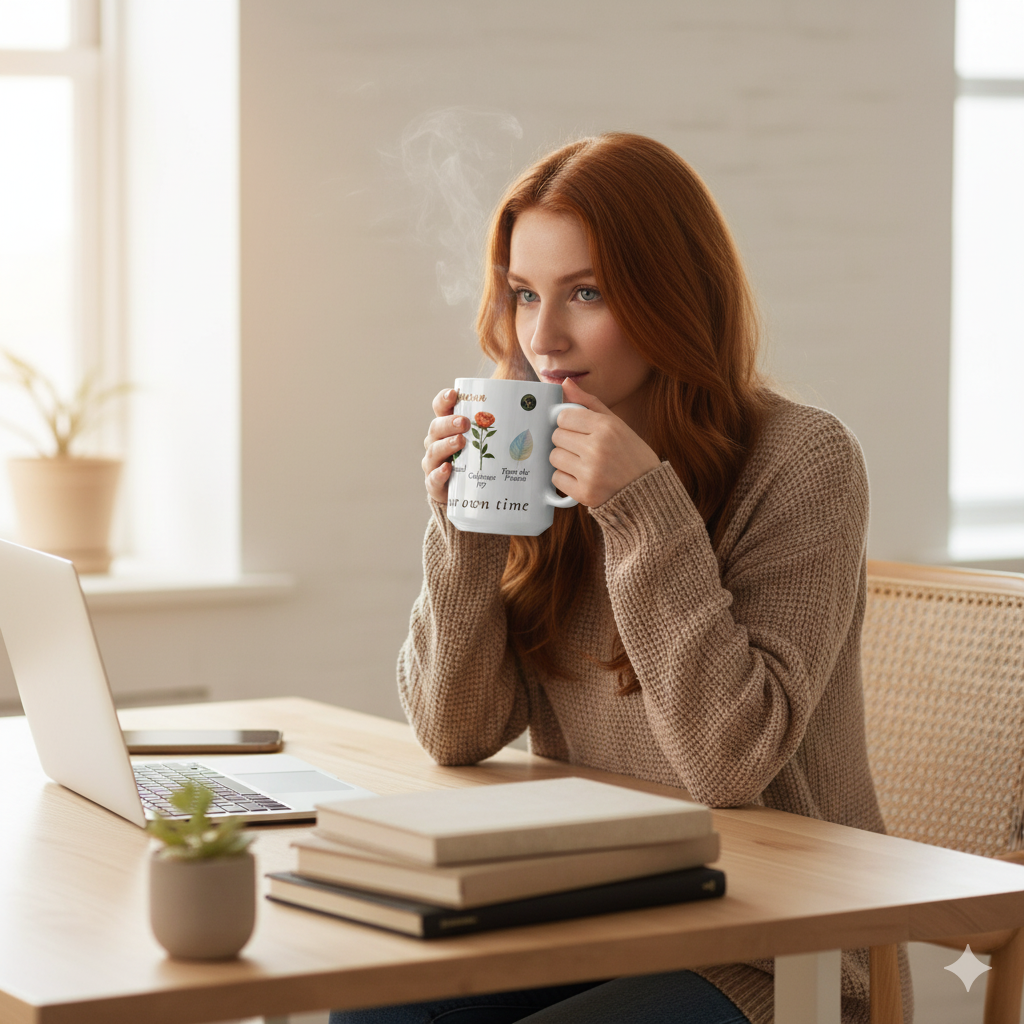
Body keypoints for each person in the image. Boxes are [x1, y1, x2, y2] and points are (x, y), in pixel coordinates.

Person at [330, 133, 909, 1024]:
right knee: (373, 1011)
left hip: (778, 945)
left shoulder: (804, 461)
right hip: (593, 904)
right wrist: (467, 526)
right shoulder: (539, 457)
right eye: (525, 295)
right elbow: (456, 731)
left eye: (586, 293)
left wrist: (643, 508)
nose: (544, 338)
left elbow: (729, 762)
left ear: (674, 296)